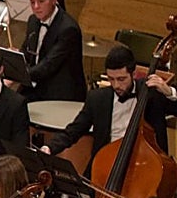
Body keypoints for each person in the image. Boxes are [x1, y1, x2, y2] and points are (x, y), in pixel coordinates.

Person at [40, 45, 177, 162]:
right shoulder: (98, 98)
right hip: (105, 165)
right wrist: (50, 147)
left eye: (121, 79)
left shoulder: (151, 92)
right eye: (111, 79)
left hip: (146, 164)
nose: (116, 85)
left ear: (134, 74)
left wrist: (169, 92)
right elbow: (74, 130)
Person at [18, 0, 85, 103]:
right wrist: (15, 60)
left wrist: (19, 74)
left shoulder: (68, 29)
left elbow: (48, 65)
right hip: (36, 85)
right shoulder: (33, 20)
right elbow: (27, 52)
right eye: (32, 2)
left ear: (54, 0)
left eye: (41, 1)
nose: (36, 7)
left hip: (59, 92)